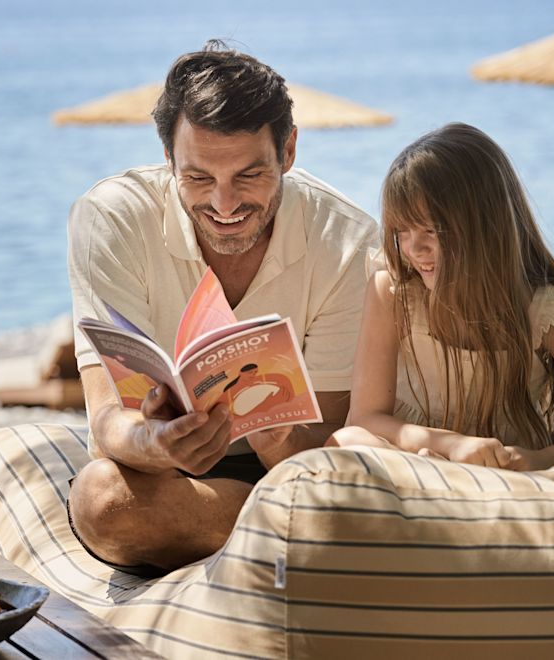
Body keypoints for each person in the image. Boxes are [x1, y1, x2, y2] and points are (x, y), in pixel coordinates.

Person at [66, 40, 379, 573]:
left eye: (249, 175)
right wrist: (159, 442)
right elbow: (107, 422)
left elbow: (325, 447)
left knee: (338, 487)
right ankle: (289, 539)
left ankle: (272, 534)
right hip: (164, 474)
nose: (225, 205)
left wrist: (277, 437)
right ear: (169, 158)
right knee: (103, 501)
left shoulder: (345, 241)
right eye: (199, 178)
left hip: (286, 474)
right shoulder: (112, 219)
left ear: (289, 152)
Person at [329, 123, 554, 470]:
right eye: (401, 232)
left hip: (502, 472)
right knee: (346, 440)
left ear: (484, 227)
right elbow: (365, 417)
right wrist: (452, 445)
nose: (413, 248)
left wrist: (543, 459)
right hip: (419, 459)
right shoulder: (393, 293)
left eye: (430, 230)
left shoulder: (541, 309)